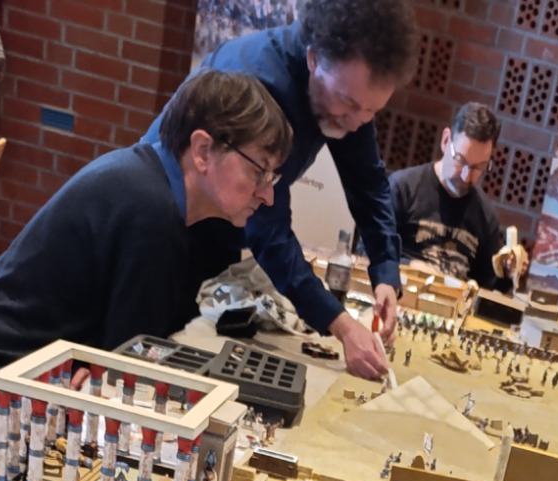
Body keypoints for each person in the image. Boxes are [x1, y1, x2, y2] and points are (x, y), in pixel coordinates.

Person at [0, 68, 290, 449]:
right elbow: (125, 380)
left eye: (272, 177)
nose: (267, 195)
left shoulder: (146, 179)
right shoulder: (151, 214)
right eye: (259, 171)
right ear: (203, 151)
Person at [149, 0, 417, 381]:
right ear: (313, 59)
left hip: (215, 236)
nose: (358, 123)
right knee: (148, 358)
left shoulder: (345, 90)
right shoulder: (261, 83)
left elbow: (369, 182)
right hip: (164, 233)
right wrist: (342, 326)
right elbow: (268, 231)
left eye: (372, 111)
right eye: (349, 104)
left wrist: (385, 273)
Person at [389, 102, 524, 291]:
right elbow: (367, 254)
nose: (466, 176)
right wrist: (411, 267)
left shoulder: (486, 216)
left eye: (478, 167)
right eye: (461, 160)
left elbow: (488, 291)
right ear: (446, 141)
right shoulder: (403, 188)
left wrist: (508, 274)